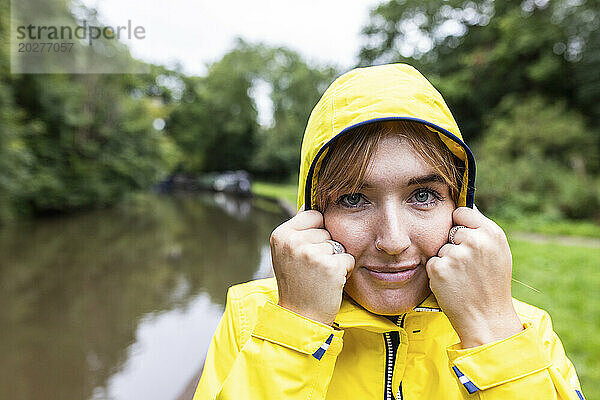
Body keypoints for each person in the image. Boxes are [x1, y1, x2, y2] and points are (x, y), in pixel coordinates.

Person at [193, 63, 585, 399]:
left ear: (461, 206)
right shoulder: (253, 320)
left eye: (424, 195)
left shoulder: (522, 329)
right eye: (353, 199)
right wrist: (295, 331)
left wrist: (494, 337)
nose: (394, 241)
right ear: (311, 213)